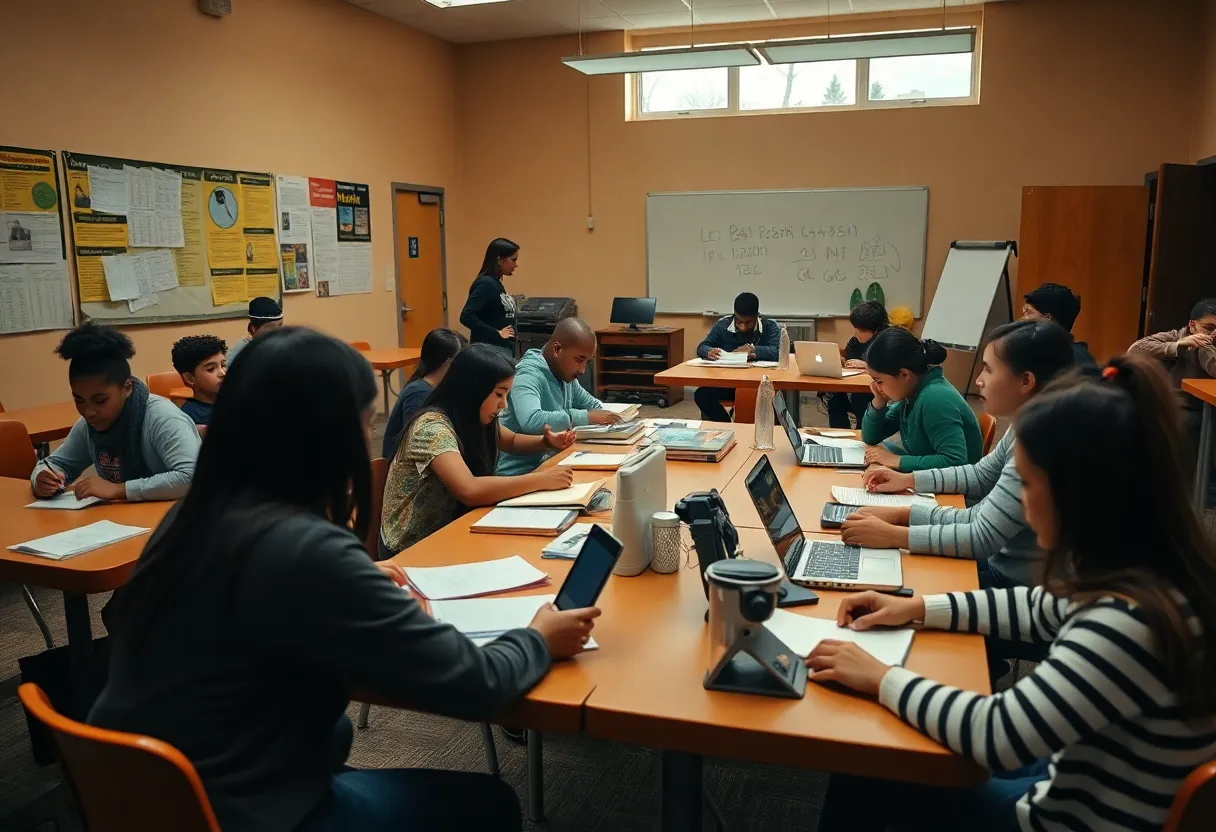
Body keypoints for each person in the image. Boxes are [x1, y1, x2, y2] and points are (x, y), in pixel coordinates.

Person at [89, 327, 601, 832]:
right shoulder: (309, 549)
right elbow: (477, 685)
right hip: (250, 808)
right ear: (332, 437)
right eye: (365, 424)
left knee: (346, 744)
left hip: (144, 795)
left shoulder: (190, 517)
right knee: (491, 804)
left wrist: (349, 581)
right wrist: (539, 639)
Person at [809, 354, 1216, 832]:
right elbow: (1037, 608)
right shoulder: (1159, 570)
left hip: (1054, 819)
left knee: (869, 760)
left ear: (1077, 493)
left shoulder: (1124, 623)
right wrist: (916, 607)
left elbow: (996, 734)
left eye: (1029, 483)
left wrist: (880, 677)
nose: (1021, 500)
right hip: (1077, 775)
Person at [380, 344, 578, 557]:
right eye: (499, 394)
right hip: (409, 547)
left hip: (452, 529)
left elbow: (510, 441)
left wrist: (546, 442)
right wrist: (541, 479)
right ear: (473, 390)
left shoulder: (472, 416)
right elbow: (469, 489)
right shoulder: (431, 428)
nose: (503, 405)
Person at [31, 323, 200, 502]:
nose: (88, 412)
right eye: (79, 400)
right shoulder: (88, 425)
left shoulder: (162, 418)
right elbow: (55, 464)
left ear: (127, 388)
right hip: (125, 517)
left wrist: (121, 490)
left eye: (100, 400)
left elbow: (192, 477)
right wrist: (42, 479)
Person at [497, 317, 621, 475]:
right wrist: (583, 417)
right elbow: (531, 420)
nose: (582, 370)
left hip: (554, 463)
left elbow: (593, 407)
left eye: (587, 362)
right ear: (557, 349)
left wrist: (600, 416)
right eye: (579, 360)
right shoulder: (527, 374)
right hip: (519, 473)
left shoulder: (564, 374)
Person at [859, 327, 982, 472]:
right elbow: (871, 438)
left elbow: (955, 460)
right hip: (930, 478)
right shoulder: (912, 392)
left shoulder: (935, 398)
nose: (876, 386)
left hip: (956, 485)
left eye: (879, 381)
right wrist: (879, 403)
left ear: (905, 375)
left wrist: (897, 461)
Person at [1129, 297, 1216, 443]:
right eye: (1209, 328)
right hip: (1179, 405)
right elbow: (1135, 350)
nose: (1213, 335)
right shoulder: (1176, 336)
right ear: (1192, 325)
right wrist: (1176, 346)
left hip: (1207, 406)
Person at [693, 292, 782, 422]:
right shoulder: (723, 325)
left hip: (760, 384)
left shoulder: (770, 326)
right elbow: (702, 346)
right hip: (729, 382)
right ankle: (727, 425)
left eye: (748, 322)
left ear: (756, 316)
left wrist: (754, 350)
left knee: (775, 397)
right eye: (739, 322)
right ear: (734, 315)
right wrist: (708, 351)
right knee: (701, 394)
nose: (743, 327)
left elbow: (778, 352)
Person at [381, 328, 467, 458]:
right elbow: (419, 443)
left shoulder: (438, 387)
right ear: (448, 363)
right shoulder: (419, 393)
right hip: (406, 464)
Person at [826, 301, 888, 428]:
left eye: (862, 331)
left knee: (860, 398)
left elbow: (892, 370)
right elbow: (848, 359)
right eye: (856, 329)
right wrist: (840, 360)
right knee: (834, 395)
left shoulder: (888, 342)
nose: (857, 334)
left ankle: (863, 431)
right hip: (855, 389)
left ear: (876, 329)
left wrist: (868, 367)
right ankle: (840, 432)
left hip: (877, 394)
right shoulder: (856, 341)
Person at [459, 238, 519, 355]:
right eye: (513, 260)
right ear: (500, 260)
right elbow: (466, 316)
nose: (516, 265)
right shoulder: (486, 284)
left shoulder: (495, 283)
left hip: (500, 350)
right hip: (489, 352)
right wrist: (497, 333)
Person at [1021, 281, 1096, 366]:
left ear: (1047, 319)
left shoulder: (1074, 359)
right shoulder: (1042, 352)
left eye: (1027, 312)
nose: (1022, 319)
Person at [171, 335, 227, 426]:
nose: (222, 373)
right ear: (190, 379)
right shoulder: (188, 418)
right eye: (211, 369)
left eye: (223, 365)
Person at [226, 296, 283, 365]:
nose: (277, 332)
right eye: (271, 328)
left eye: (280, 325)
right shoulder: (240, 353)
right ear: (254, 329)